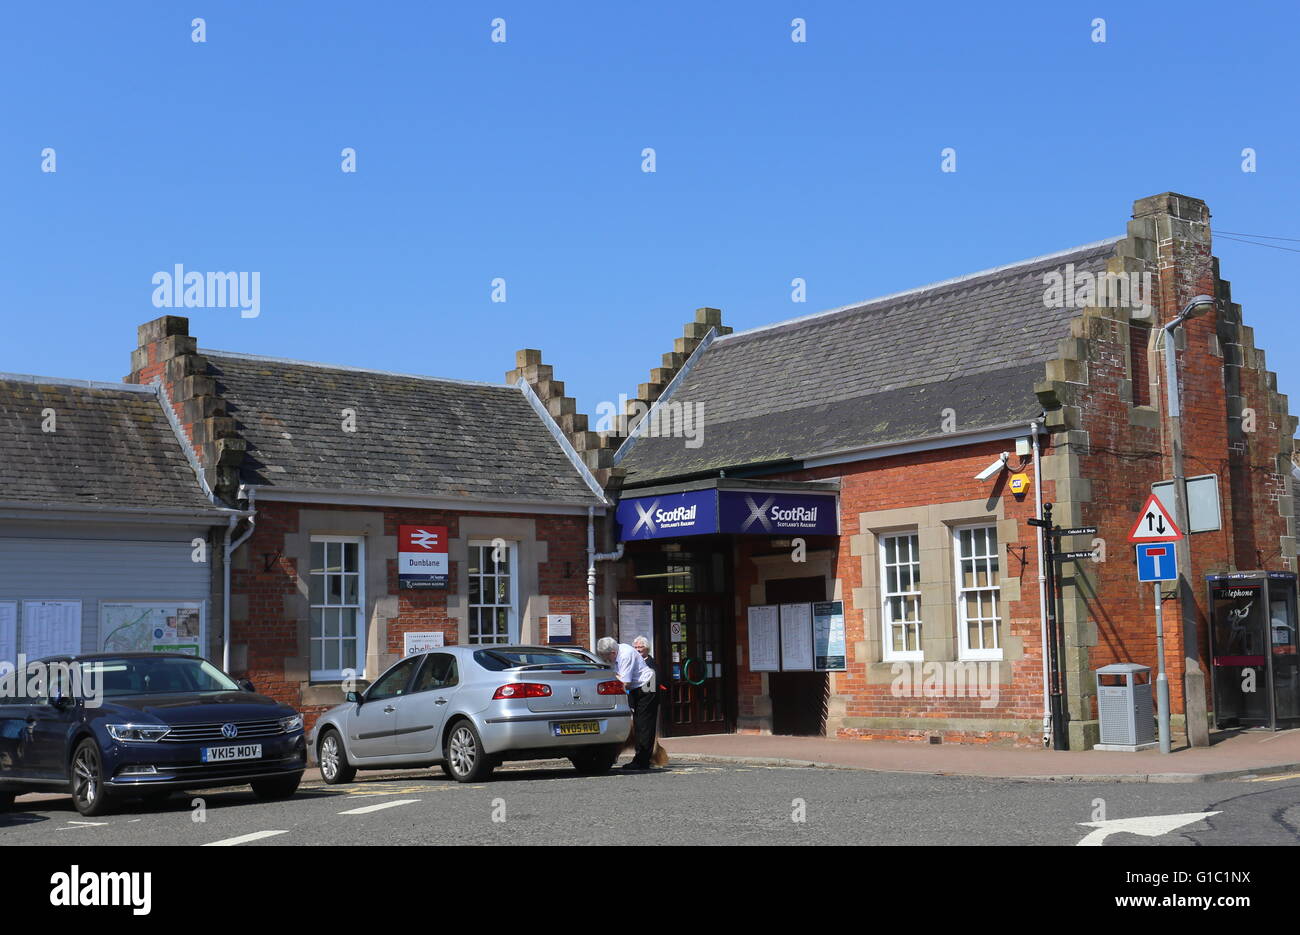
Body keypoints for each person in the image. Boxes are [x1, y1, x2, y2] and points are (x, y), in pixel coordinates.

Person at [596, 636, 656, 770]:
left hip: (647, 685)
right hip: (636, 687)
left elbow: (624, 683)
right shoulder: (617, 652)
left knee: (644, 725)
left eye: (606, 657)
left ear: (612, 652)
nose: (606, 660)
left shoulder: (625, 655)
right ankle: (641, 758)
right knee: (638, 723)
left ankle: (643, 761)